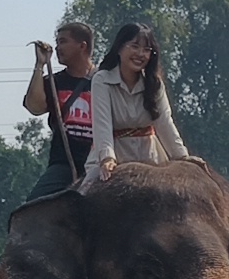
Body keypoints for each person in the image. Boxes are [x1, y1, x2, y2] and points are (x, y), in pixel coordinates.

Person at [84, 22, 199, 186]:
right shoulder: (102, 80)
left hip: (151, 158)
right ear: (119, 48)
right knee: (85, 193)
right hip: (113, 157)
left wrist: (182, 157)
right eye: (135, 46)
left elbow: (165, 122)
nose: (140, 54)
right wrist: (107, 158)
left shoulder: (154, 83)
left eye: (146, 50)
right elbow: (102, 124)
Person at [20, 21, 96, 201]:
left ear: (82, 46)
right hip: (64, 164)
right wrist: (40, 64)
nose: (57, 48)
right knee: (33, 206)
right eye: (57, 42)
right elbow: (35, 107)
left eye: (63, 42)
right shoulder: (54, 82)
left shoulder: (105, 81)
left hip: (100, 162)